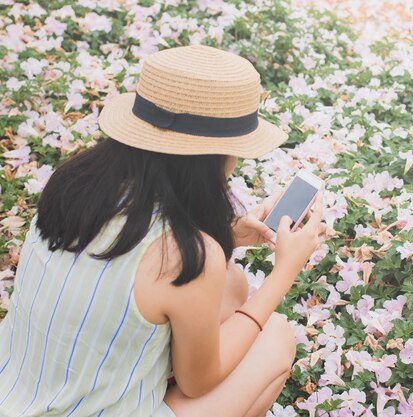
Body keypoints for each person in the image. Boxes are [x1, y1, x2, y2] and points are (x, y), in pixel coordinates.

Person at [0, 45, 325, 417]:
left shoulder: (74, 182)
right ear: (214, 157)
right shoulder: (186, 256)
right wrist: (285, 271)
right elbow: (199, 383)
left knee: (231, 284)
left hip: (13, 393)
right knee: (277, 337)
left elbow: (128, 257)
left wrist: (228, 233)